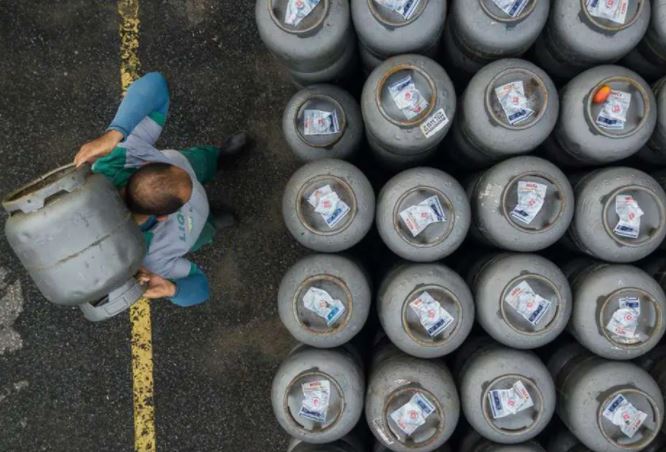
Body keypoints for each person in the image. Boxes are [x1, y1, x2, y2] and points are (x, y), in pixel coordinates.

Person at [74, 71, 246, 307]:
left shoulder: (122, 154)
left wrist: (115, 132)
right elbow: (201, 289)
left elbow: (155, 82)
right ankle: (212, 221)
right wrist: (171, 289)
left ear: (145, 165)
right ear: (165, 216)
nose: (193, 188)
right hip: (196, 226)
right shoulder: (148, 260)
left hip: (189, 188)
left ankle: (221, 158)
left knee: (201, 161)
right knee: (205, 231)